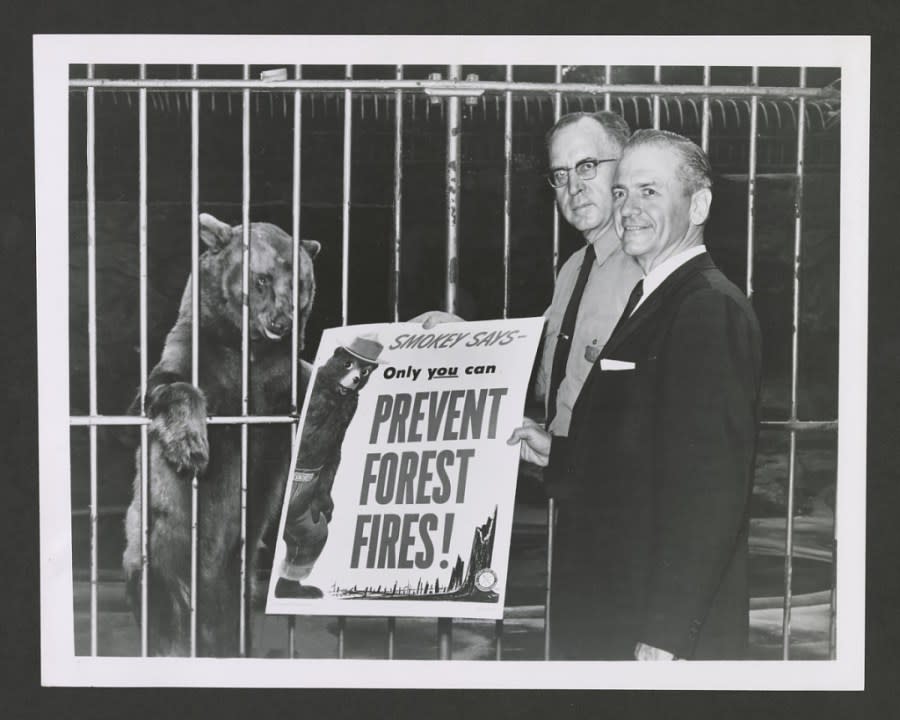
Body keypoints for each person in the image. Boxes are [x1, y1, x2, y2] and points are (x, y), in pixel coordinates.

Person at [514, 129, 762, 660]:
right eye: (622, 192)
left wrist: (667, 632)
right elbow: (644, 449)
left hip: (653, 617)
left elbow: (709, 489)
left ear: (698, 205)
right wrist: (558, 454)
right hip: (619, 586)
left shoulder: (705, 308)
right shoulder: (656, 296)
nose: (627, 208)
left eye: (650, 192)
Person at [416, 111, 642, 480]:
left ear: (625, 167)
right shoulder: (573, 269)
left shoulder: (647, 268)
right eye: (561, 174)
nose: (574, 187)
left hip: (621, 491)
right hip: (573, 488)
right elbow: (539, 371)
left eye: (587, 166)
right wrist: (458, 339)